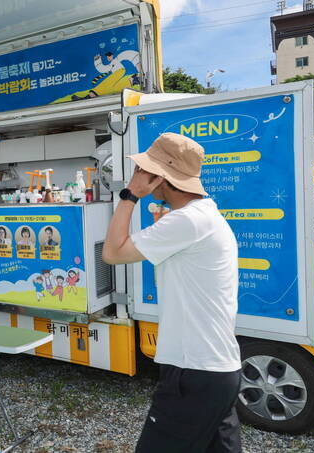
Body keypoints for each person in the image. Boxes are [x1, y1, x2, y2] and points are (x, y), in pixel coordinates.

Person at [102, 132, 241, 452]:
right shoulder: (204, 215)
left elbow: (112, 253)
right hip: (217, 370)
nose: (138, 175)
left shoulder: (188, 221)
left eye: (143, 171)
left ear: (159, 176)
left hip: (192, 372)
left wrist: (130, 195)